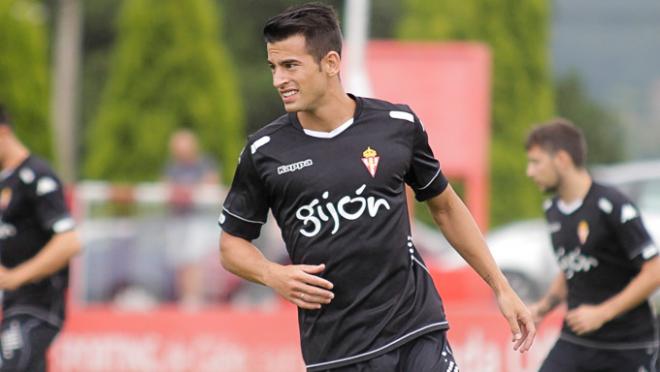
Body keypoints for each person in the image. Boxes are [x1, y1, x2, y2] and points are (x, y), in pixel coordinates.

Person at [218, 3, 535, 371]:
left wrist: (500, 287)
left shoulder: (396, 125)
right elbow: (231, 245)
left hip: (416, 328)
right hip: (339, 351)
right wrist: (274, 275)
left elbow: (445, 207)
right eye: (273, 67)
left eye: (291, 66)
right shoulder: (264, 152)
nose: (278, 80)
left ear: (332, 63)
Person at [525, 118, 660, 372]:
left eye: (536, 162)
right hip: (575, 341)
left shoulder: (612, 205)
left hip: (626, 346)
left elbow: (654, 271)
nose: (530, 172)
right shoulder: (553, 210)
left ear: (562, 160)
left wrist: (602, 313)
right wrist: (542, 308)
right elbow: (572, 267)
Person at [0, 104, 82, 371]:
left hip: (37, 308)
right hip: (13, 308)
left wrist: (15, 277)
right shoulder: (5, 181)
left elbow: (68, 242)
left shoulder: (36, 175)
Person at [163, 129, 220, 306]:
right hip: (178, 219)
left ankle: (195, 297)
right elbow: (166, 188)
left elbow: (211, 185)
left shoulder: (204, 164)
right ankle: (184, 296)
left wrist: (188, 191)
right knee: (180, 260)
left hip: (198, 220)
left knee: (194, 260)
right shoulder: (172, 167)